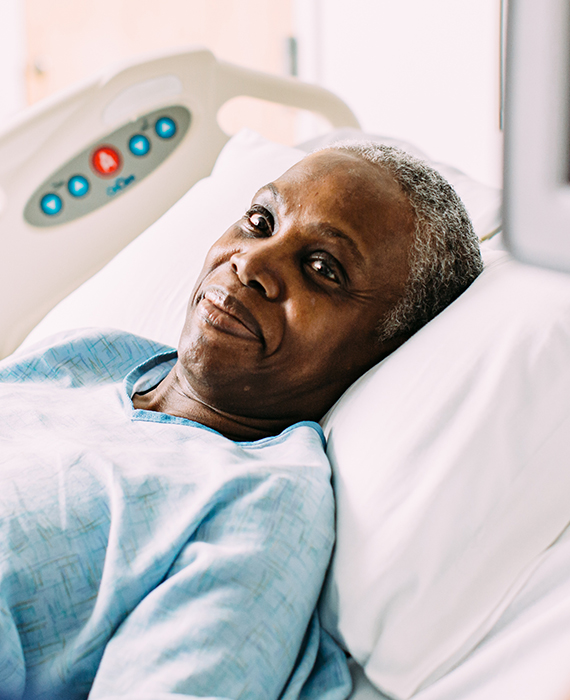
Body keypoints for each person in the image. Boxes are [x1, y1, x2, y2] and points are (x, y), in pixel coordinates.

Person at [0, 143, 482, 700]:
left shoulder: (261, 504)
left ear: (385, 348)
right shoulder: (88, 357)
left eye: (323, 269)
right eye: (260, 222)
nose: (251, 263)